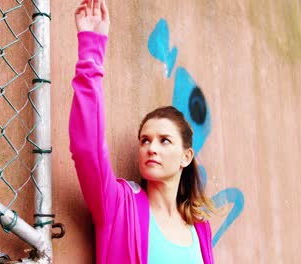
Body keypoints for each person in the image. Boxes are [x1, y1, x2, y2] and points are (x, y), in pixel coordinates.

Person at [69, 0, 215, 263]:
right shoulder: (118, 206)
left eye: (164, 141)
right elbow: (88, 150)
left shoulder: (200, 227)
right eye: (145, 140)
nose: (152, 148)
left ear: (186, 156)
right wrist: (92, 49)